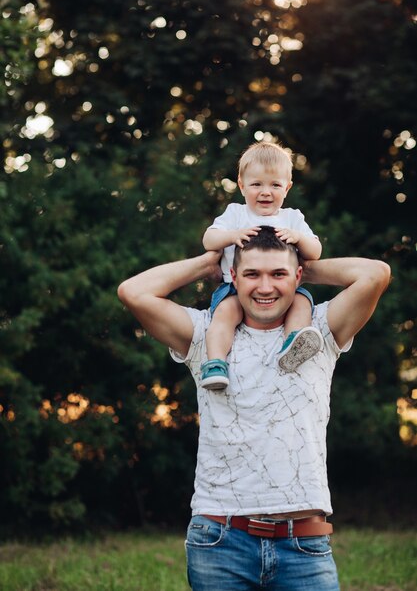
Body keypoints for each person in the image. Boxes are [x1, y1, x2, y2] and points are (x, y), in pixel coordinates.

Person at [117, 226, 390, 591]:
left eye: (278, 274)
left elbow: (375, 274)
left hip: (304, 543)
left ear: (296, 276)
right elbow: (133, 292)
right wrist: (207, 264)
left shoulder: (317, 331)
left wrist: (303, 265)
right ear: (234, 276)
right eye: (251, 274)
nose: (264, 287)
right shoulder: (205, 333)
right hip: (220, 540)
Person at [201, 141, 323, 390]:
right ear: (242, 186)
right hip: (234, 289)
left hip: (282, 289)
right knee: (224, 316)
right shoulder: (235, 214)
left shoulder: (292, 218)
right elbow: (208, 240)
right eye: (256, 184)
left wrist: (299, 237)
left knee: (302, 303)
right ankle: (215, 362)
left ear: (287, 188)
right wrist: (232, 235)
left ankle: (292, 344)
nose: (265, 192)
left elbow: (316, 252)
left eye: (275, 185)